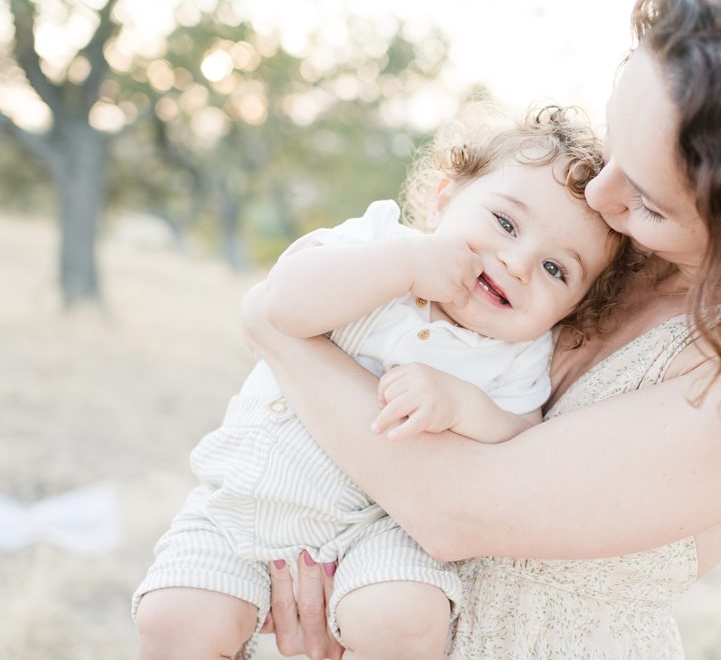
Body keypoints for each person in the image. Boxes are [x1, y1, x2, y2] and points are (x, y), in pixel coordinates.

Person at [242, 0, 721, 658]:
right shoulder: (597, 240)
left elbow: (455, 509)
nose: (600, 200)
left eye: (646, 199)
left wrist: (277, 329)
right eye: (613, 149)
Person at [132, 105, 631, 660]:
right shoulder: (372, 241)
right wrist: (407, 263)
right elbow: (283, 305)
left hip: (381, 533)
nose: (516, 262)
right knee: (172, 619)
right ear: (445, 198)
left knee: (403, 620)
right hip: (245, 497)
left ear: (575, 307)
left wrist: (462, 404)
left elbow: (519, 435)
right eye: (506, 224)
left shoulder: (519, 353)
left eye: (556, 269)